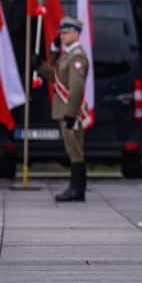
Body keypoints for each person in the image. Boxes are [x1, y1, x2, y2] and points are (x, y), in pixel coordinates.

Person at [41, 16, 91, 202]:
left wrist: (71, 113)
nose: (62, 36)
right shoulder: (67, 55)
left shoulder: (77, 57)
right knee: (72, 149)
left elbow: (76, 88)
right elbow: (57, 78)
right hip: (65, 109)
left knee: (75, 150)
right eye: (60, 33)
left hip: (71, 110)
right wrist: (41, 66)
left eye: (66, 32)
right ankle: (76, 187)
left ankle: (77, 189)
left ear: (76, 34)